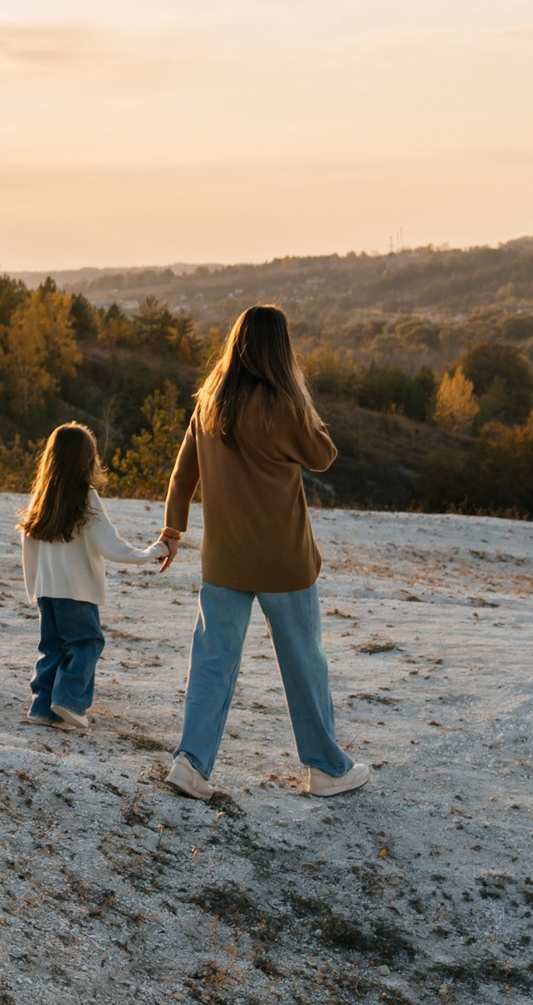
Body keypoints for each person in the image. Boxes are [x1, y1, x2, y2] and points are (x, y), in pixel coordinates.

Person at [156, 304, 372, 798]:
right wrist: (299, 394)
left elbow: (182, 476)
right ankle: (326, 769)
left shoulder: (209, 403)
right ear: (281, 350)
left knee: (212, 660)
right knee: (304, 663)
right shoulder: (284, 405)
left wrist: (173, 532)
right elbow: (324, 455)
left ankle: (191, 763)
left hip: (224, 559)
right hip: (283, 562)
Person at [17, 421, 166, 731]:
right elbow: (110, 544)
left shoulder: (41, 497)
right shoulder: (86, 497)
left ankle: (42, 707)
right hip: (78, 591)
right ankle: (69, 702)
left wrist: (34, 587)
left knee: (52, 648)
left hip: (47, 590)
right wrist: (151, 552)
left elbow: (28, 546)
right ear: (88, 459)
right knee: (86, 643)